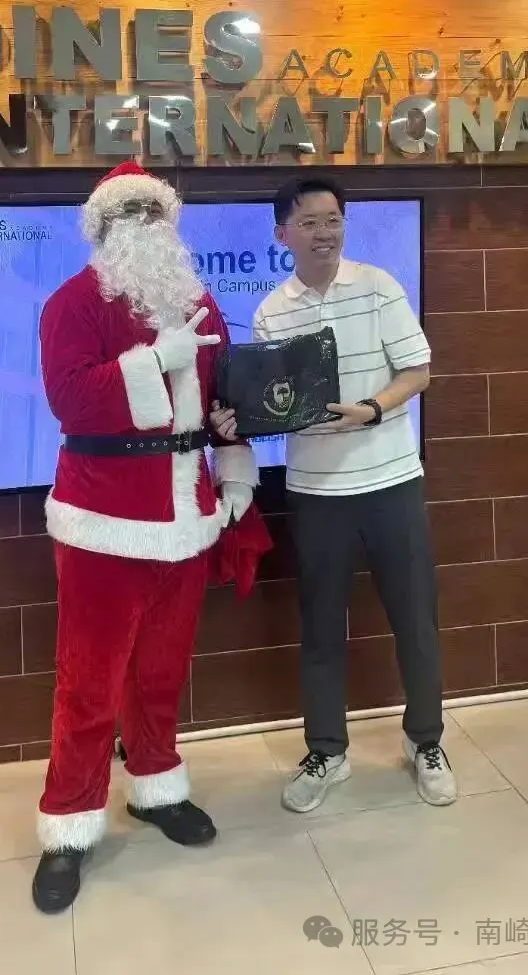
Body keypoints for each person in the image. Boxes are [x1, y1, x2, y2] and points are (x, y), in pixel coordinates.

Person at [32, 160, 259, 914]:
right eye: (128, 214)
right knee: (89, 684)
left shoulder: (198, 301)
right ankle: (69, 822)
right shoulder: (71, 303)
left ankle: (156, 786)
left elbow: (224, 398)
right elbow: (70, 400)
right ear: (102, 229)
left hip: (186, 519)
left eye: (153, 213)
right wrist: (154, 362)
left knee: (161, 671)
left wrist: (234, 464)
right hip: (102, 525)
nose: (144, 226)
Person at [212, 174, 456, 814]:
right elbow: (276, 403)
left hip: (392, 481)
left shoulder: (378, 286)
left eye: (333, 220)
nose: (325, 233)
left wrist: (371, 409)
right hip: (316, 491)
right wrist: (241, 421)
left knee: (415, 620)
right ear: (282, 234)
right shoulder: (272, 310)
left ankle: (425, 742)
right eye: (310, 223)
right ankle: (327, 751)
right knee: (320, 626)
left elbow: (419, 371)